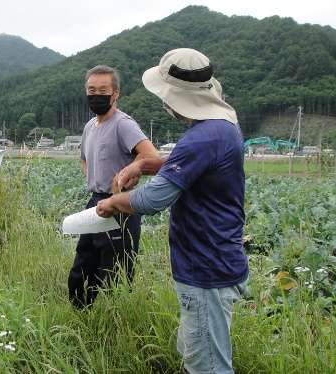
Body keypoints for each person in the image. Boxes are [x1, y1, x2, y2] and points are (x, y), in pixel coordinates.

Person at [96, 48, 249, 373]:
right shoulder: (223, 126)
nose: (164, 104)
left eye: (166, 96)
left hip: (206, 271)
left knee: (209, 367)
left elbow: (150, 200)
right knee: (196, 354)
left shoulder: (201, 138)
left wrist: (111, 203)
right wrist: (151, 164)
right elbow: (201, 167)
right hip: (219, 261)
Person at [67, 65, 159, 309]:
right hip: (95, 202)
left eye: (103, 90)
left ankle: (113, 320)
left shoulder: (123, 124)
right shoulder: (89, 126)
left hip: (120, 205)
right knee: (84, 261)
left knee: (115, 268)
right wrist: (94, 180)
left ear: (115, 93)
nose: (96, 95)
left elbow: (149, 155)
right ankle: (81, 314)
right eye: (91, 90)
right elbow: (84, 159)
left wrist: (121, 177)